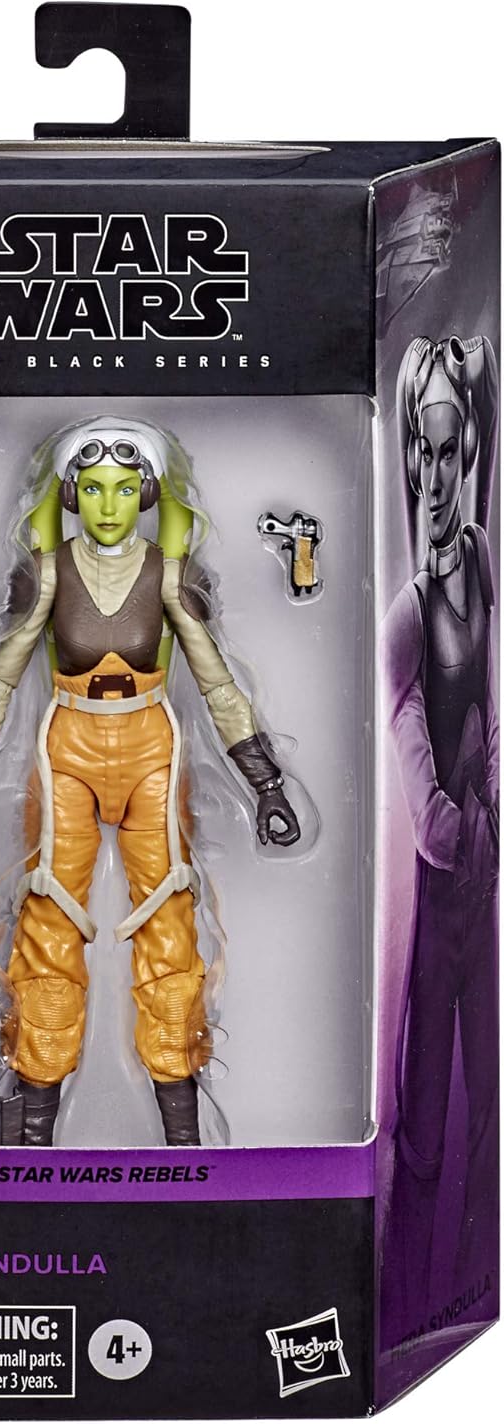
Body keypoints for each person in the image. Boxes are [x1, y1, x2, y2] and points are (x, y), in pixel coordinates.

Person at [0, 419, 300, 1148]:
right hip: (68, 748)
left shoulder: (170, 576)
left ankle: (183, 1136)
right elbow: (0, 673)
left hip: (152, 748)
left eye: (123, 489)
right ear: (71, 495)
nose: (109, 506)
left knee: (169, 921)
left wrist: (265, 782)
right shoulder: (48, 576)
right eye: (92, 489)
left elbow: (216, 680)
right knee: (49, 924)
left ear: (146, 494)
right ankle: (33, 1127)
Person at [380, 336, 499, 1336]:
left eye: (447, 451)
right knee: (420, 1126)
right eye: (419, 453)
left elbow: (489, 705)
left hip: (484, 892)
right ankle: (402, 1303)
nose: (431, 476)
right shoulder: (407, 612)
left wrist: (492, 800)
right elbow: (410, 738)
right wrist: (456, 824)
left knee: (487, 1113)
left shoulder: (484, 568)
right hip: (433, 904)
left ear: (471, 456)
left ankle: (468, 1295)